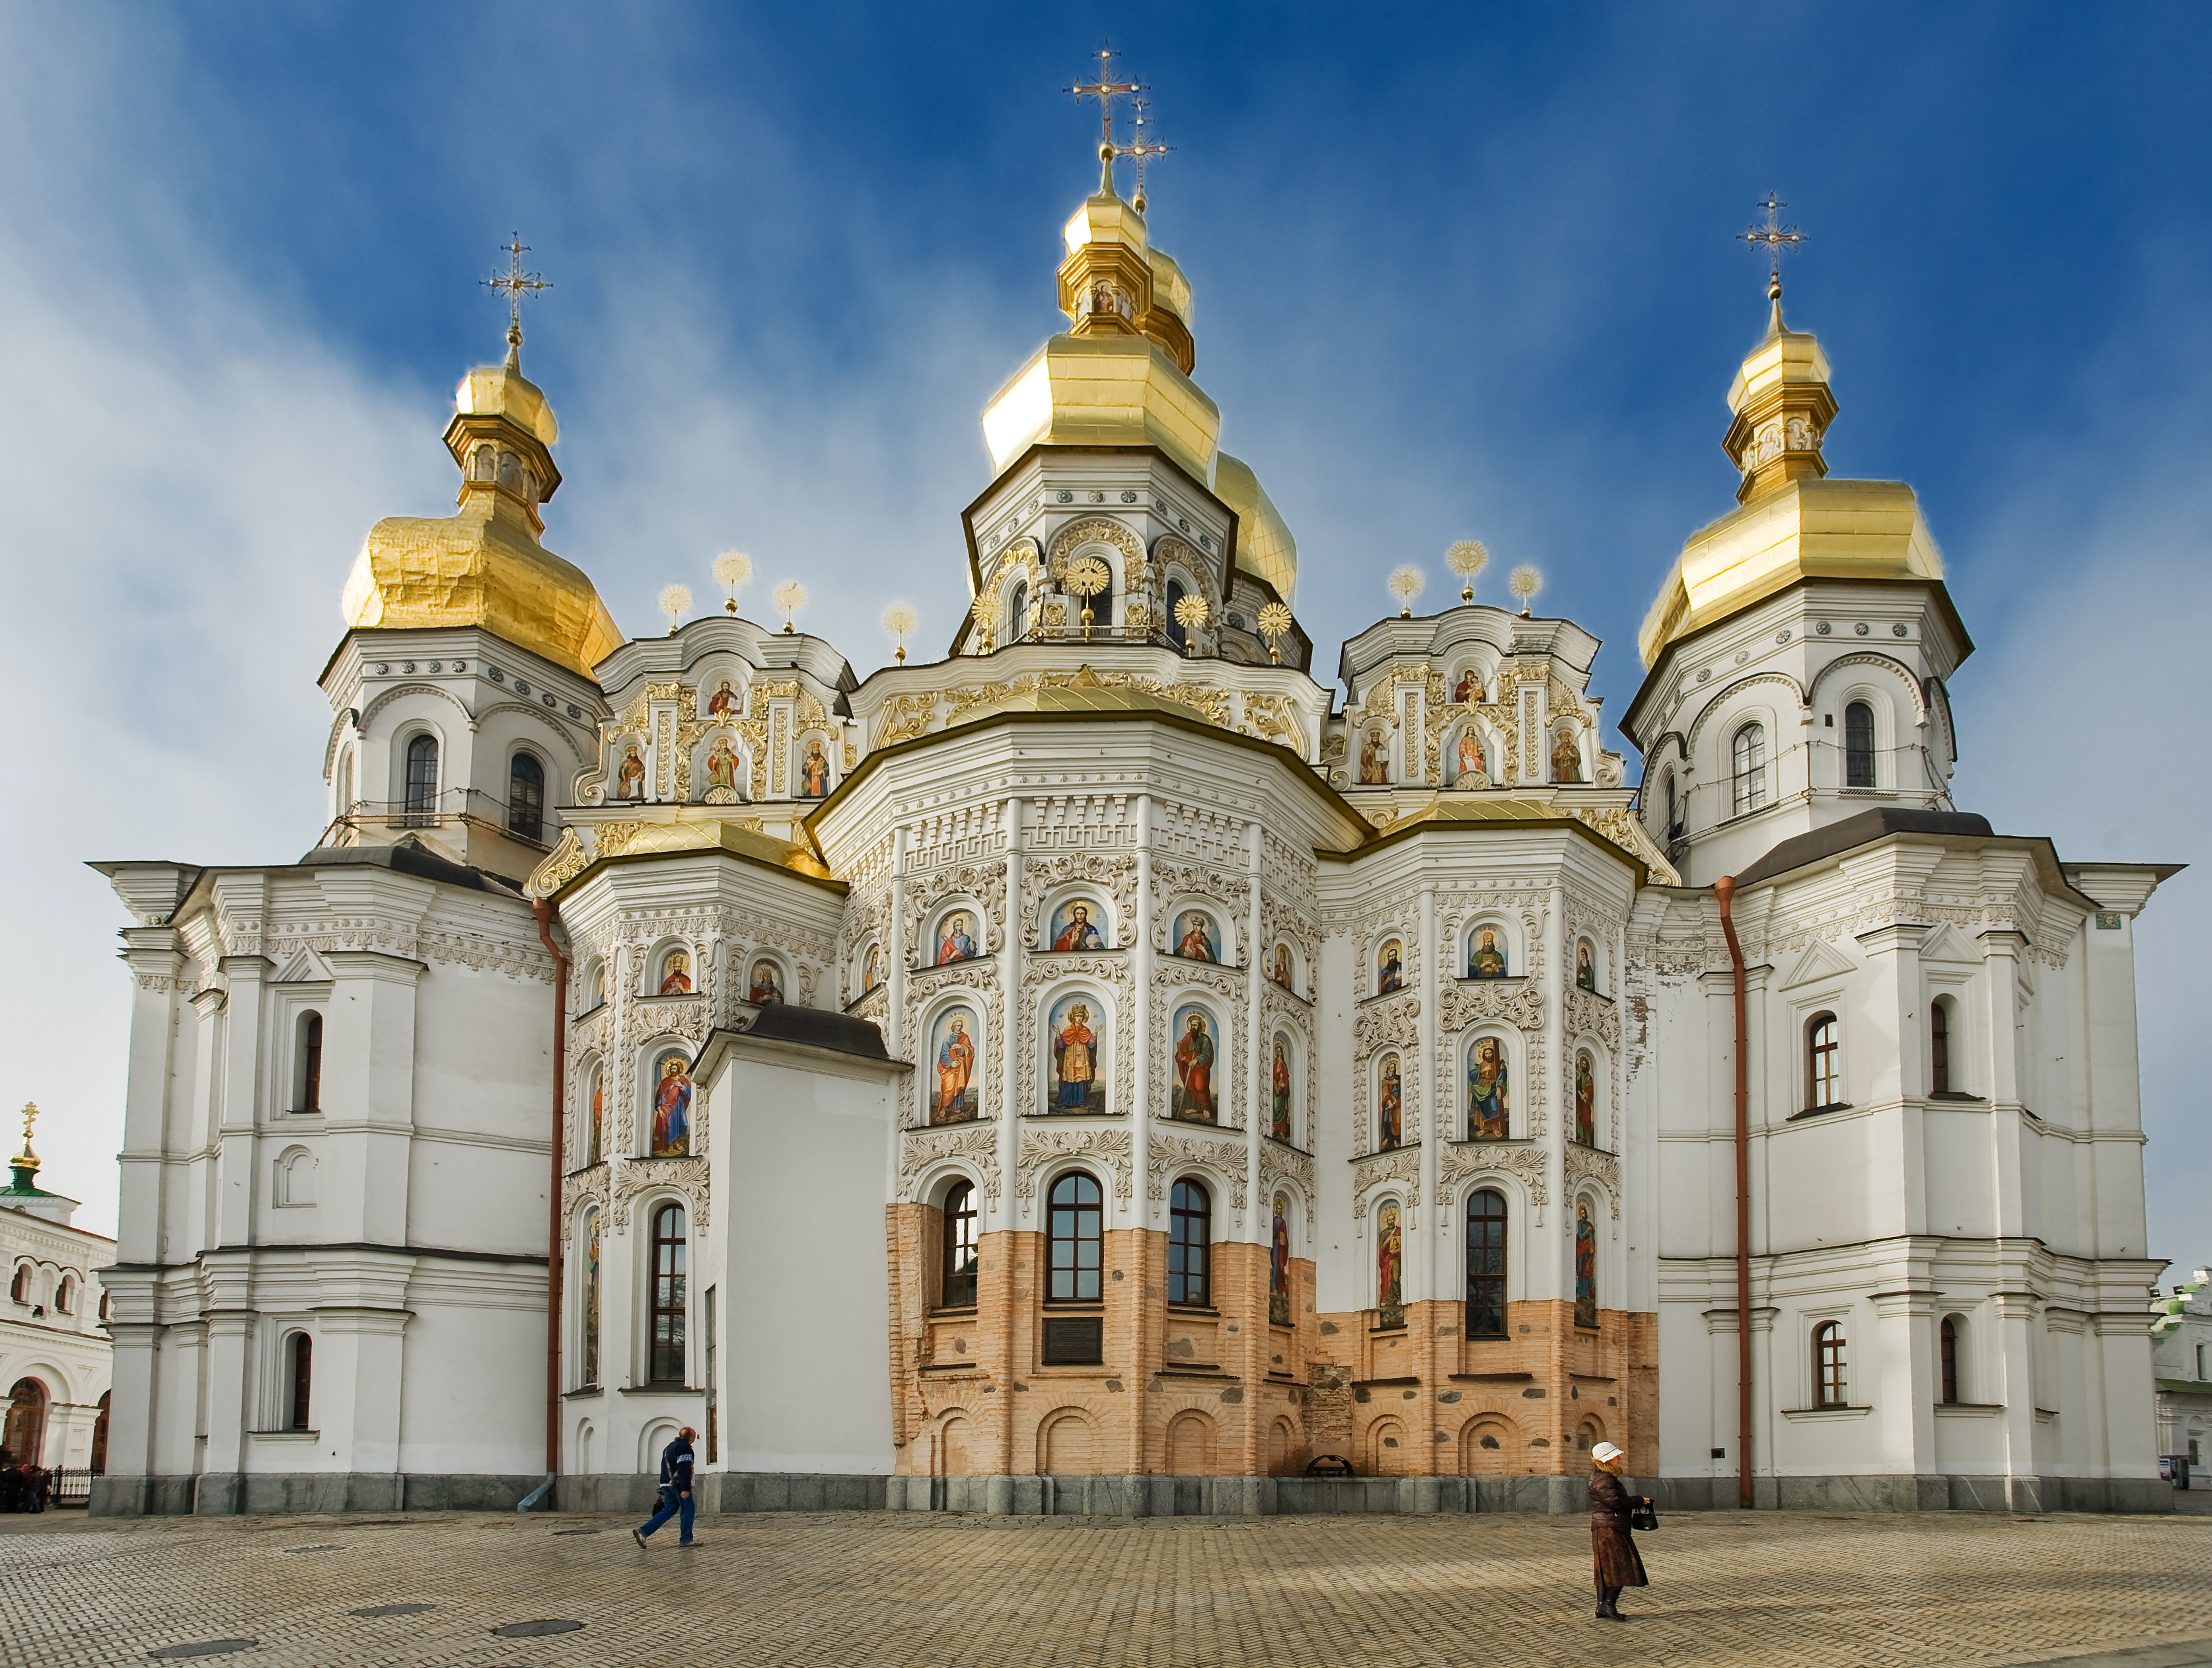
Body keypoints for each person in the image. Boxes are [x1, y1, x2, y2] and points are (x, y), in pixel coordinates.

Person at [1588, 1441, 1650, 1622]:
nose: (1619, 1458)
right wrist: (1639, 1500)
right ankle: (1608, 1605)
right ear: (1608, 1460)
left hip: (1607, 1525)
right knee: (1619, 1567)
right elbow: (1614, 1503)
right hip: (1610, 1527)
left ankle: (1602, 1607)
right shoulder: (1604, 1479)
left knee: (1605, 1568)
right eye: (1616, 1456)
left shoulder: (1603, 1477)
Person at [633, 1426, 700, 1550]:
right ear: (689, 1437)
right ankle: (686, 1539)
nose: (695, 1437)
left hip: (666, 1484)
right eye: (694, 1435)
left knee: (668, 1510)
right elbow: (684, 1469)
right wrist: (685, 1488)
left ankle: (643, 1532)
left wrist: (663, 1484)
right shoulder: (685, 1449)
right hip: (678, 1486)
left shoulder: (669, 1447)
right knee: (688, 1510)